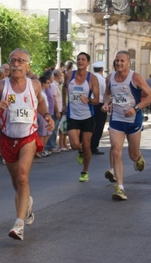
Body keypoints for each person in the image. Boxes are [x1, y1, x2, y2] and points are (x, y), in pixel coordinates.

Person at [0, 48, 54, 241]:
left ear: (27, 65)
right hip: (7, 138)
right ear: (8, 65)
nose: (16, 64)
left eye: (20, 60)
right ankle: (27, 202)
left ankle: (19, 224)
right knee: (16, 181)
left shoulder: (35, 85)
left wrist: (46, 116)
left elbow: (40, 103)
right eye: (12, 60)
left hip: (28, 137)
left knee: (22, 177)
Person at [102, 50, 151, 201]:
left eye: (122, 61)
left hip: (133, 120)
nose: (118, 63)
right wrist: (106, 104)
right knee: (116, 151)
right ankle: (120, 188)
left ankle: (138, 158)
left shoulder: (135, 77)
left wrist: (135, 108)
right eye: (117, 60)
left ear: (128, 63)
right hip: (117, 119)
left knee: (133, 154)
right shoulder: (110, 78)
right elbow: (107, 94)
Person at [62, 52, 99, 182]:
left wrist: (88, 99)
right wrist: (63, 105)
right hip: (73, 115)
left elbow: (97, 100)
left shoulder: (92, 79)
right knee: (75, 145)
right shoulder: (69, 76)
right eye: (78, 59)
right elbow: (64, 89)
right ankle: (80, 152)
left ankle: (85, 171)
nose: (80, 61)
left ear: (88, 63)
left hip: (87, 116)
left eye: (83, 59)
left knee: (87, 145)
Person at [90, 61, 107, 155]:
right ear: (102, 70)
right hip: (100, 104)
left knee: (89, 125)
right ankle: (93, 146)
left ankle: (85, 145)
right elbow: (106, 93)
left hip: (89, 103)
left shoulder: (89, 78)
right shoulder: (103, 80)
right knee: (99, 126)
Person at [45, 69, 63, 153]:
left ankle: (51, 145)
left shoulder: (54, 85)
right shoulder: (53, 86)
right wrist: (57, 111)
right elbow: (54, 99)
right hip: (53, 111)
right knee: (53, 129)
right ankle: (50, 146)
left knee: (54, 128)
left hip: (55, 110)